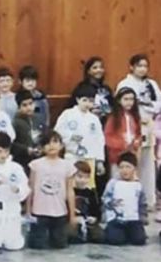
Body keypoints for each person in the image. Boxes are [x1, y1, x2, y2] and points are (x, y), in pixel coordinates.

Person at [116, 54, 161, 221]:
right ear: (131, 67)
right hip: (132, 125)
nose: (142, 69)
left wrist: (147, 104)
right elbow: (123, 103)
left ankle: (148, 201)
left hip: (149, 125)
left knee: (148, 165)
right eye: (139, 66)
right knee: (130, 163)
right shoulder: (125, 83)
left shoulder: (151, 84)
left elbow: (159, 104)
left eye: (145, 66)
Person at [26, 131, 77, 250]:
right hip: (39, 212)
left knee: (60, 245)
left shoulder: (67, 166)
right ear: (42, 148)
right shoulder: (35, 165)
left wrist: (72, 215)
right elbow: (31, 188)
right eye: (47, 143)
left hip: (60, 212)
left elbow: (70, 191)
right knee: (38, 245)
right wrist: (28, 210)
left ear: (61, 145)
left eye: (55, 142)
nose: (51, 146)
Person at [55, 83, 106, 185]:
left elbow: (99, 140)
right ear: (77, 99)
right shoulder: (67, 114)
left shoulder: (94, 119)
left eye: (91, 101)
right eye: (84, 100)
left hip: (89, 157)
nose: (87, 104)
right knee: (70, 183)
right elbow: (57, 131)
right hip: (72, 155)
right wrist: (70, 136)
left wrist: (100, 161)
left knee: (87, 186)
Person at [102, 152, 147, 246]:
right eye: (121, 167)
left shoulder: (138, 185)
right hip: (116, 219)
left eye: (128, 167)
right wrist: (111, 203)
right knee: (116, 241)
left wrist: (142, 216)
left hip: (133, 219)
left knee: (139, 240)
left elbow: (142, 203)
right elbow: (105, 198)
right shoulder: (113, 183)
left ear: (134, 168)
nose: (124, 170)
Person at [104, 88, 141, 178]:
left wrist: (137, 141)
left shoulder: (135, 116)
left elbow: (138, 133)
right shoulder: (114, 117)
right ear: (119, 101)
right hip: (117, 155)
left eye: (131, 99)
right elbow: (107, 137)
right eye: (126, 99)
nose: (129, 102)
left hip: (132, 154)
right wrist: (122, 144)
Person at [70, 57, 113, 123]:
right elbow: (72, 108)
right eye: (95, 68)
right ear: (88, 71)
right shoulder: (81, 88)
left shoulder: (106, 88)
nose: (99, 70)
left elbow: (113, 106)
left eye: (101, 67)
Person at [69, 160, 103, 244]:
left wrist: (94, 218)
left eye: (86, 177)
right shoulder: (70, 191)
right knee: (72, 237)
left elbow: (97, 210)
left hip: (87, 222)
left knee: (100, 237)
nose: (83, 180)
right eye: (80, 177)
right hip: (73, 221)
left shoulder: (91, 193)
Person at [11, 89, 43, 172]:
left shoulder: (39, 119)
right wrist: (26, 149)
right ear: (18, 107)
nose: (29, 107)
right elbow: (12, 144)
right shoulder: (15, 122)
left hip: (39, 159)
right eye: (24, 105)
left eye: (31, 104)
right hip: (22, 161)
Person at [18, 65, 50, 134]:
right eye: (27, 80)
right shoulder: (17, 97)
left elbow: (46, 115)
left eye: (33, 80)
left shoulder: (41, 96)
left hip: (40, 130)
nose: (30, 83)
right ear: (20, 81)